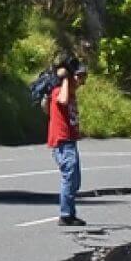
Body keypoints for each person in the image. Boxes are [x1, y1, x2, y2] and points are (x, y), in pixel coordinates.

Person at [48, 57, 87, 226]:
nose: (82, 82)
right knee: (70, 177)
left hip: (70, 141)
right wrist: (65, 78)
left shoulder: (70, 93)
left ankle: (70, 212)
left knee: (75, 180)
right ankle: (66, 215)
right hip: (62, 141)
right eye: (80, 77)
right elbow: (62, 101)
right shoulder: (59, 91)